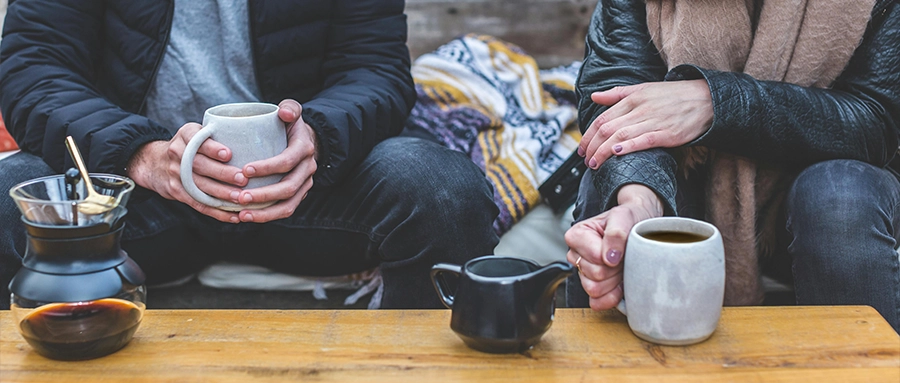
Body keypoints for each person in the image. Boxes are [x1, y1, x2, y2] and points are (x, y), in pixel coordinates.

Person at [0, 0, 500, 309]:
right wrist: (140, 156)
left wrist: (319, 140)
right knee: (11, 193)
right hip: (136, 201)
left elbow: (376, 69)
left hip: (305, 191)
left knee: (442, 190)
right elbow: (34, 70)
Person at [564, 0, 900, 332]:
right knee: (609, 203)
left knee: (840, 199)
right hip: (693, 175)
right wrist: (639, 200)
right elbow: (617, 97)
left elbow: (878, 119)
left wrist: (714, 104)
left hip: (811, 189)